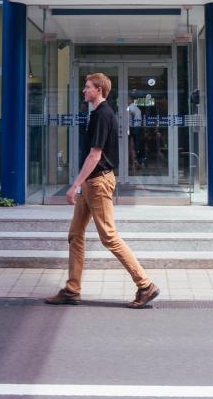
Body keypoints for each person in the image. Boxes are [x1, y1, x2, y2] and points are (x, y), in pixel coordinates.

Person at [45, 72, 159, 308]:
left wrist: (74, 185)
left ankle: (145, 285)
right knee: (75, 235)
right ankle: (72, 289)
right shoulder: (96, 114)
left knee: (109, 236)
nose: (84, 90)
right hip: (92, 182)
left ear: (98, 90)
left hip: (98, 183)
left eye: (87, 87)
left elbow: (95, 154)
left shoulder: (102, 115)